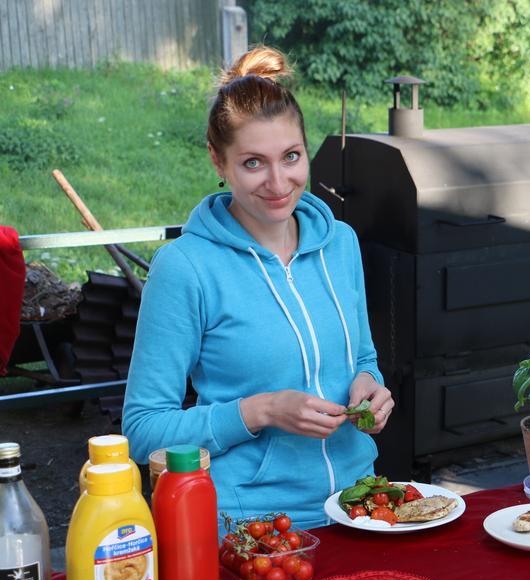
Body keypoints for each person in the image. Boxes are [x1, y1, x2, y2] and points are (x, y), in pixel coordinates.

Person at [123, 46, 394, 529]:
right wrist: (261, 410)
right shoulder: (185, 267)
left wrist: (369, 388)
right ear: (218, 161)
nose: (278, 182)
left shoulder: (341, 244)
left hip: (361, 507)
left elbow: (363, 360)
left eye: (291, 157)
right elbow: (144, 433)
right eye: (253, 163)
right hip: (252, 528)